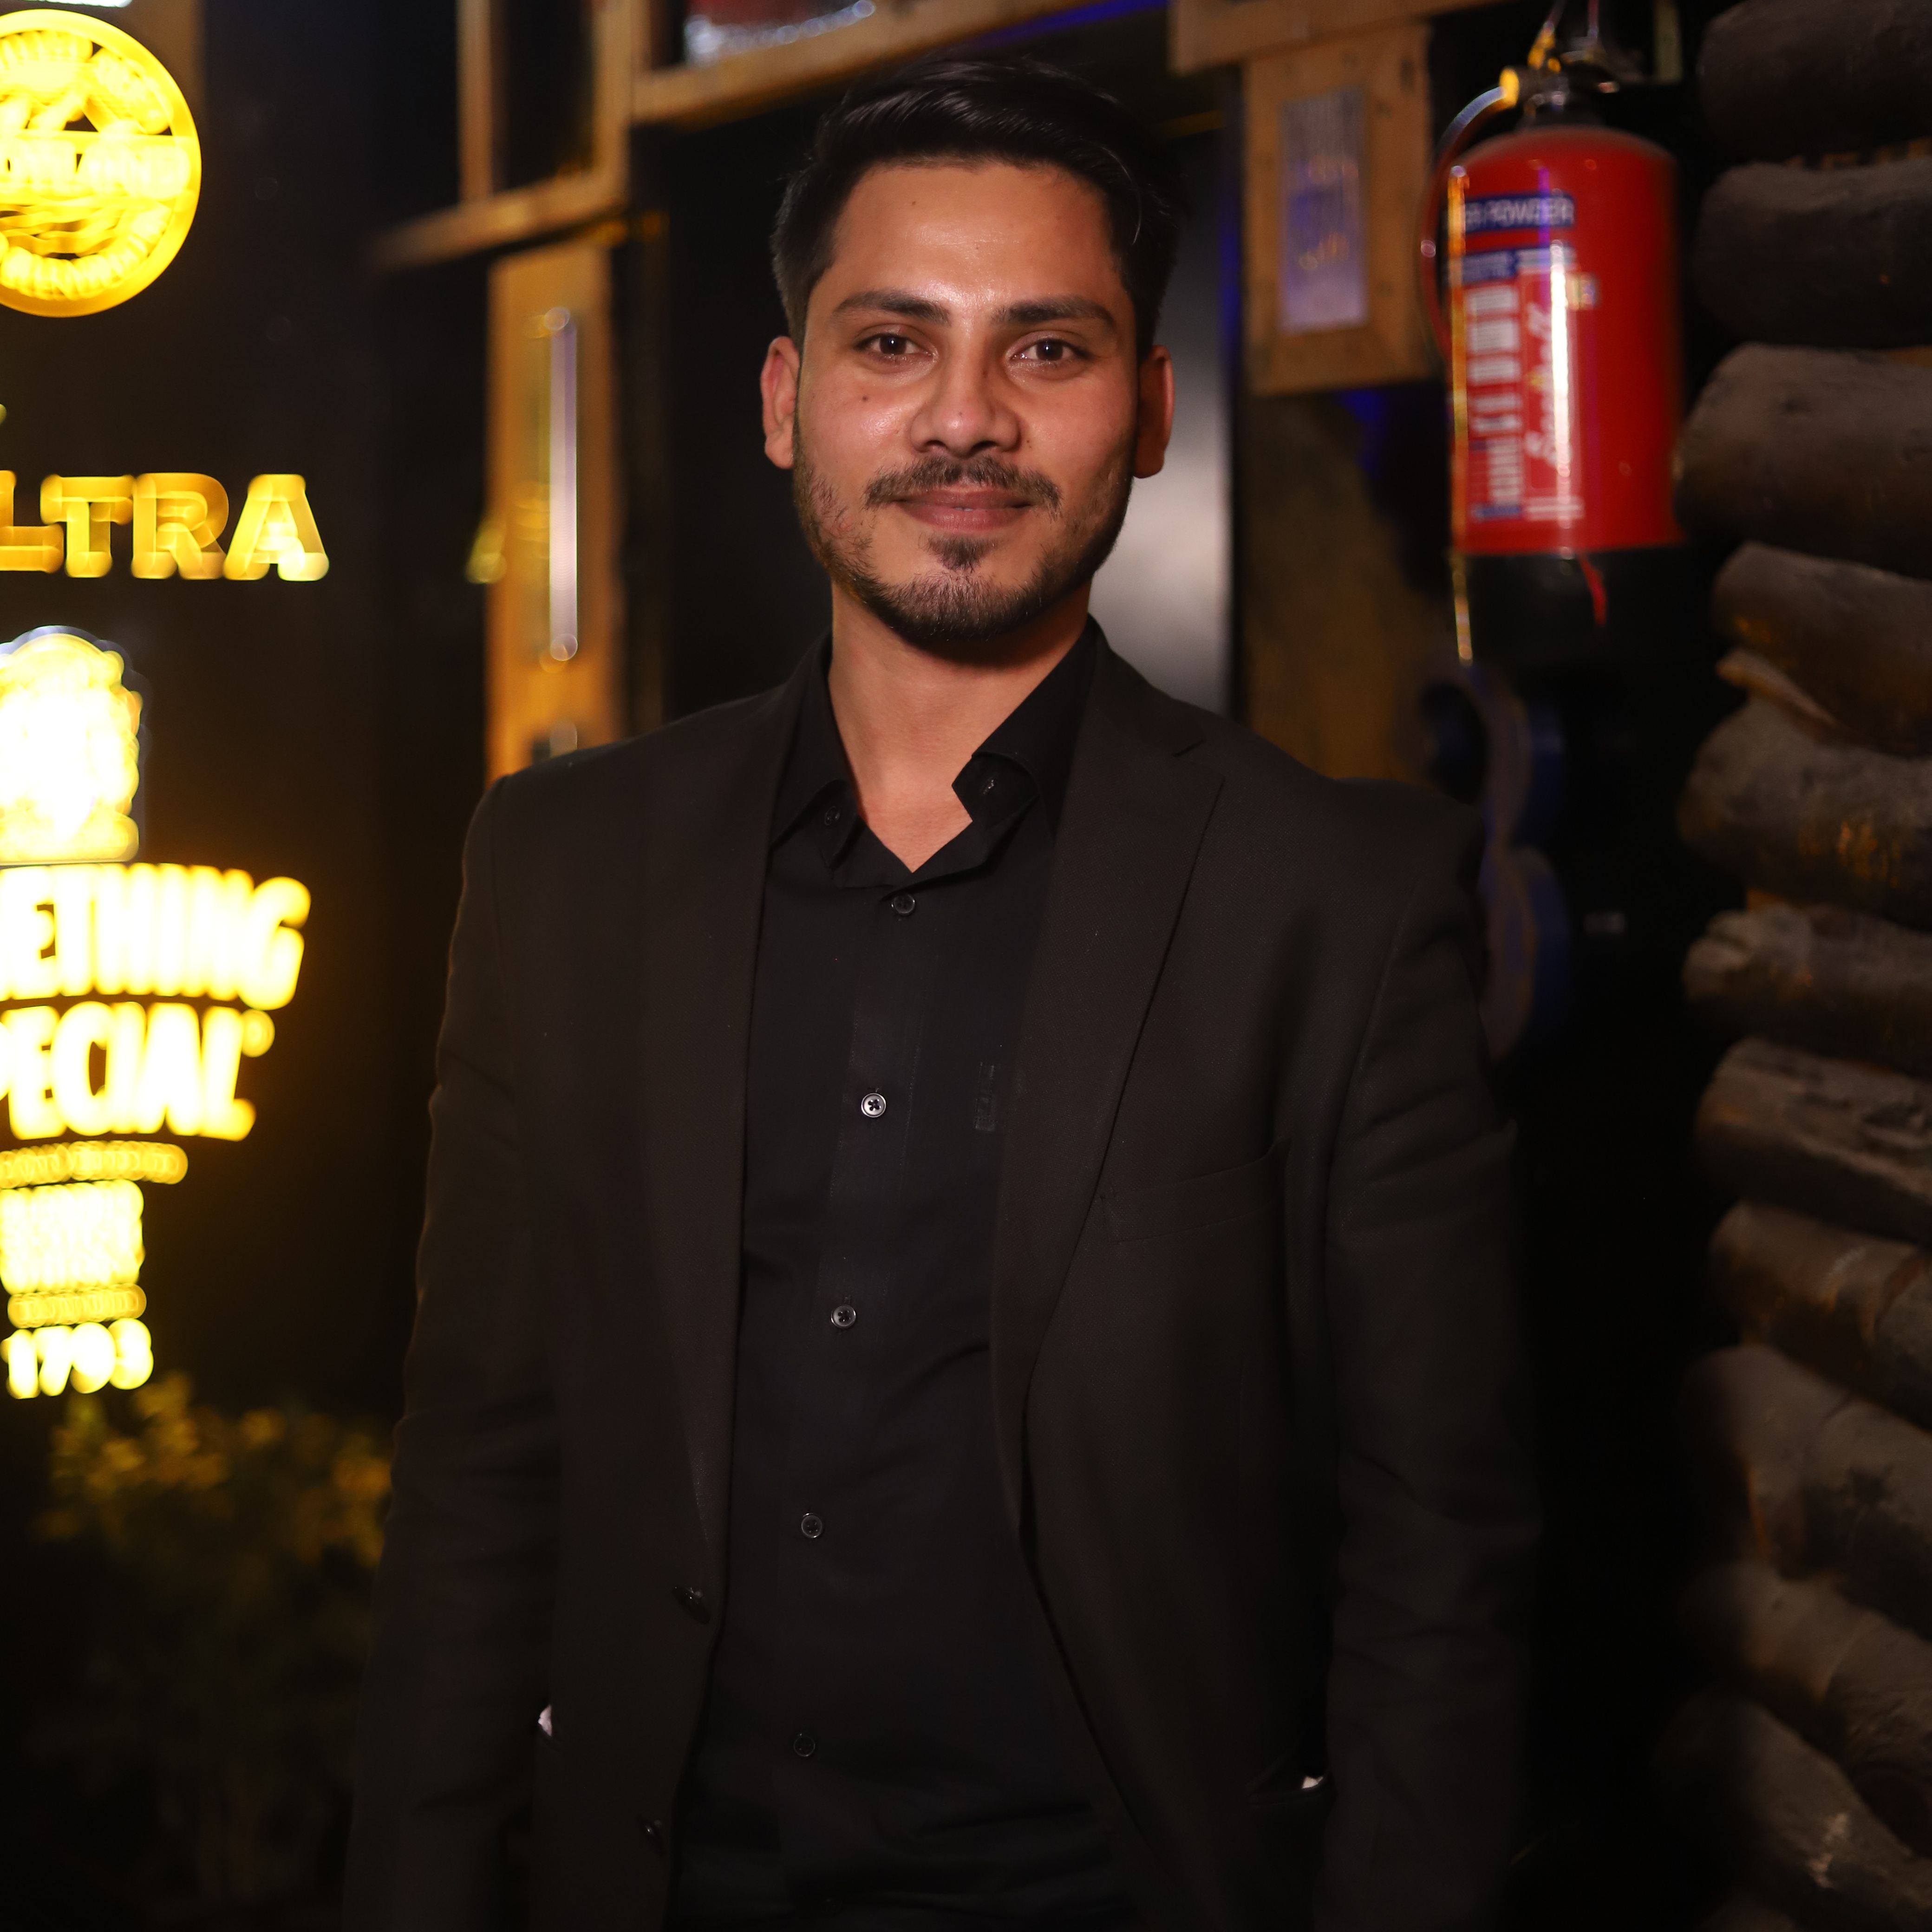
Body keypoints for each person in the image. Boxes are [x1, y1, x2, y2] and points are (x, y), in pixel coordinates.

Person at [346, 53, 1536, 1932]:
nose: (965, 420)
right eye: (892, 343)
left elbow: (1441, 1556)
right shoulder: (562, 866)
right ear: (784, 400)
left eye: (1046, 349)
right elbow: (480, 1473)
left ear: (1149, 410)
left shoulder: (1336, 901)